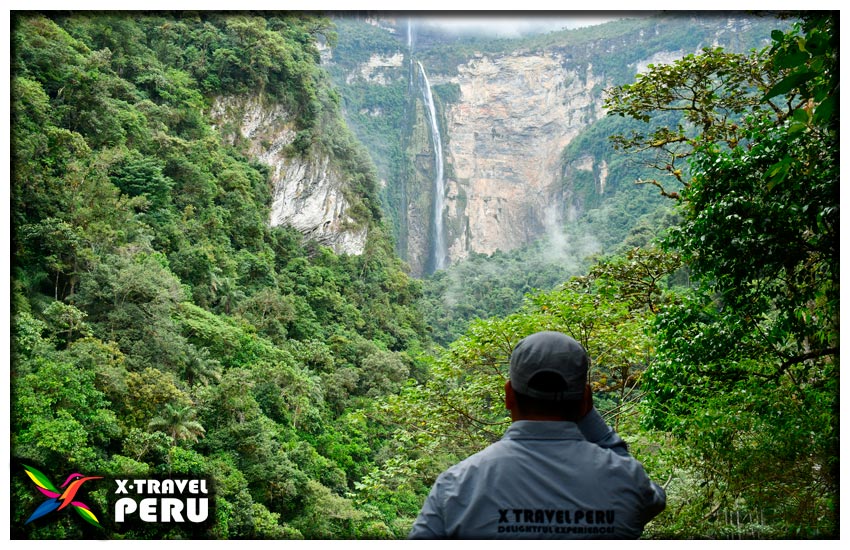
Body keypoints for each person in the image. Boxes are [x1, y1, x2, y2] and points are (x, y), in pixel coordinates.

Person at [408, 331, 666, 539]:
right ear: (585, 399)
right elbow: (652, 499)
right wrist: (590, 418)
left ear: (509, 395)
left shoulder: (456, 486)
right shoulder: (627, 482)